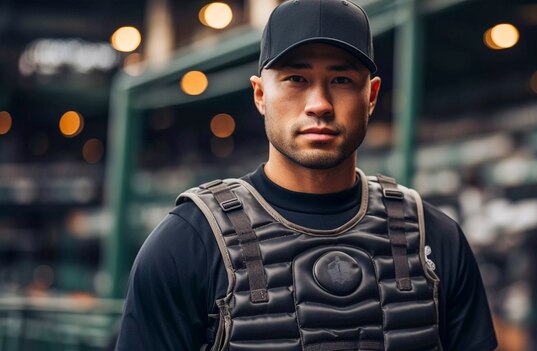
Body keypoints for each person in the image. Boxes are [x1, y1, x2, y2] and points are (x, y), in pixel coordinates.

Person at [115, 0, 498, 350]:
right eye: (296, 79)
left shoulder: (436, 237)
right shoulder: (187, 242)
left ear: (372, 95)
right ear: (260, 94)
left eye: (342, 80)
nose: (319, 104)